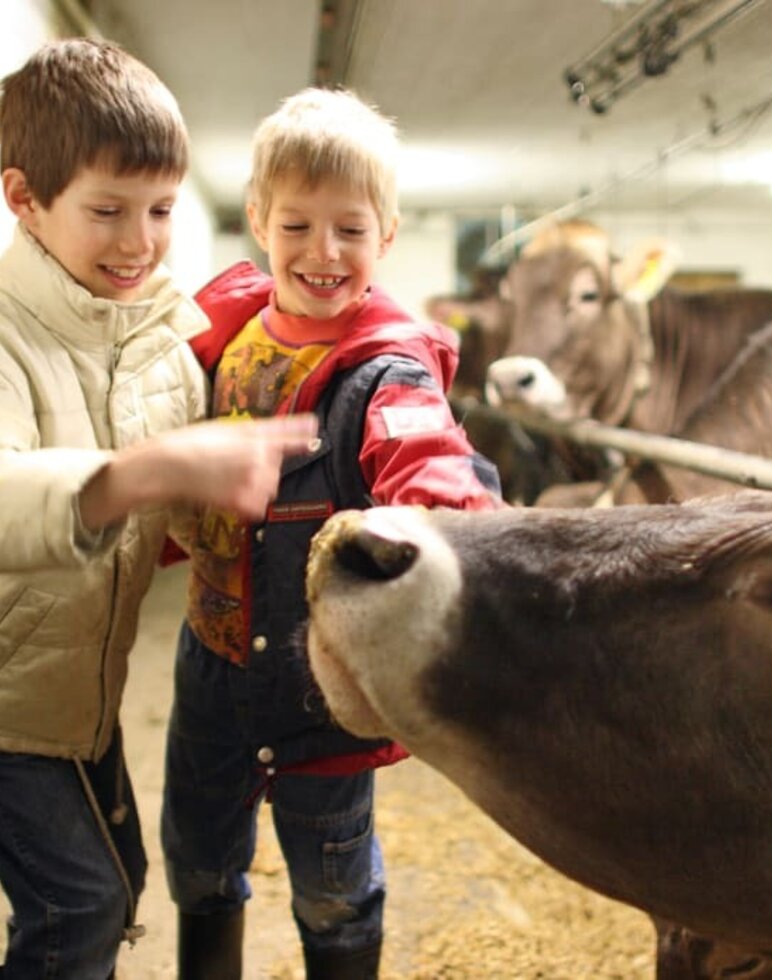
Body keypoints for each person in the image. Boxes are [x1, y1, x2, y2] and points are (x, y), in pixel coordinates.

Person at [161, 87, 503, 979]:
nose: (323, 253)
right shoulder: (218, 339)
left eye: (350, 229)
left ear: (385, 237)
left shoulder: (384, 373)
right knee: (199, 865)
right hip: (211, 657)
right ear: (259, 222)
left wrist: (454, 527)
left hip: (320, 683)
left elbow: (422, 451)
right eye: (299, 225)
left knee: (332, 882)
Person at [0, 38, 319, 980]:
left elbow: (192, 515)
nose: (140, 242)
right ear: (23, 198)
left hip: (74, 697)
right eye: (107, 211)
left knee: (114, 882)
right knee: (80, 902)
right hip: (7, 707)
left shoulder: (160, 347)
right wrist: (140, 472)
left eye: (162, 210)